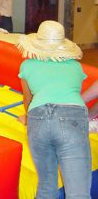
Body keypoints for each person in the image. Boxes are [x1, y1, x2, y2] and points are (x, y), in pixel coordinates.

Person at [17, 20, 91, 199]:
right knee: (77, 192)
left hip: (38, 119)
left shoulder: (27, 65)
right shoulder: (75, 66)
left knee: (46, 185)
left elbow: (28, 99)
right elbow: (70, 97)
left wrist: (27, 118)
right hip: (71, 117)